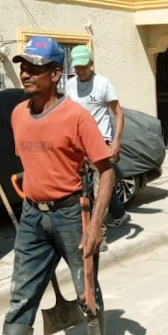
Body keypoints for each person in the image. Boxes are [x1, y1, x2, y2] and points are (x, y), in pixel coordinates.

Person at [0, 36, 114, 335]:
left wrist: (95, 226)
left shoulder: (76, 117)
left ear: (55, 74)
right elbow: (32, 161)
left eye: (34, 67)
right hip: (32, 216)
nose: (25, 73)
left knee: (85, 287)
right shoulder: (18, 114)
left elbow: (107, 171)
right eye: (23, 66)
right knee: (21, 294)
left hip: (70, 213)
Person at [65, 45, 129, 249]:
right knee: (86, 192)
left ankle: (99, 235)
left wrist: (116, 141)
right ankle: (118, 212)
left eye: (83, 67)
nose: (80, 71)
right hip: (78, 146)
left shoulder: (103, 84)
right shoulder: (70, 86)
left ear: (91, 64)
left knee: (99, 191)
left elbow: (118, 113)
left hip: (101, 144)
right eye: (77, 67)